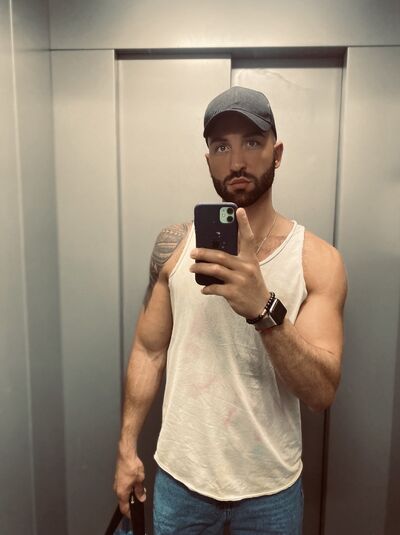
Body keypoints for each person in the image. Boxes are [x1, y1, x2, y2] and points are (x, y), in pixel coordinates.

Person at [113, 86, 347, 534]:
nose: (236, 161)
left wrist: (264, 308)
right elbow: (148, 350)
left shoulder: (317, 261)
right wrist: (126, 448)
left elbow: (320, 393)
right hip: (181, 484)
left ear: (277, 153)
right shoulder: (174, 248)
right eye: (221, 147)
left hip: (270, 492)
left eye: (252, 142)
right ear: (208, 161)